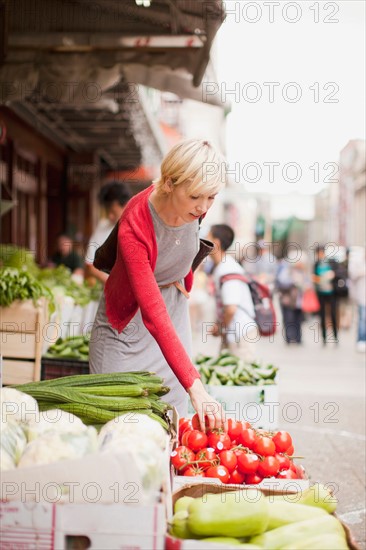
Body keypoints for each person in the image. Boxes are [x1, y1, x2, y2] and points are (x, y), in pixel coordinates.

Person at [89, 139, 227, 430]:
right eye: (195, 197)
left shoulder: (196, 207)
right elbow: (151, 309)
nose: (203, 207)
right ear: (168, 183)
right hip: (127, 326)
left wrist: (182, 283)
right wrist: (196, 385)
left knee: (168, 423)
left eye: (211, 197)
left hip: (172, 316)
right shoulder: (135, 222)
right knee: (116, 424)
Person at [207, 224, 257, 362]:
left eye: (207, 238)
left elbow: (230, 309)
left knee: (239, 380)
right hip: (233, 334)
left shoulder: (228, 269)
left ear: (215, 243)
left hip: (240, 336)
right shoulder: (222, 267)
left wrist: (220, 328)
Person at [85, 181, 132, 284]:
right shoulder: (102, 227)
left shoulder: (137, 228)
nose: (110, 216)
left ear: (126, 205)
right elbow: (90, 264)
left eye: (113, 211)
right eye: (107, 211)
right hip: (108, 291)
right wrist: (112, 283)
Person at [276, 250, 307, 345]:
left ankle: (298, 338)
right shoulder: (286, 269)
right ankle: (289, 337)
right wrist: (293, 282)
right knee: (289, 319)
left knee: (298, 319)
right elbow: (281, 282)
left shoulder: (302, 271)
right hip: (288, 299)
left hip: (299, 300)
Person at [313, 245, 338, 344]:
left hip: (331, 292)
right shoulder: (316, 264)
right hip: (321, 292)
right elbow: (314, 276)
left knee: (333, 314)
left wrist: (333, 274)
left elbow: (339, 272)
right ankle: (324, 337)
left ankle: (335, 336)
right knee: (322, 315)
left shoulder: (331, 263)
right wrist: (316, 279)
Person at [348, 246, 366, 353]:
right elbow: (352, 275)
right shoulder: (358, 262)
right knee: (362, 319)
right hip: (362, 296)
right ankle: (361, 339)